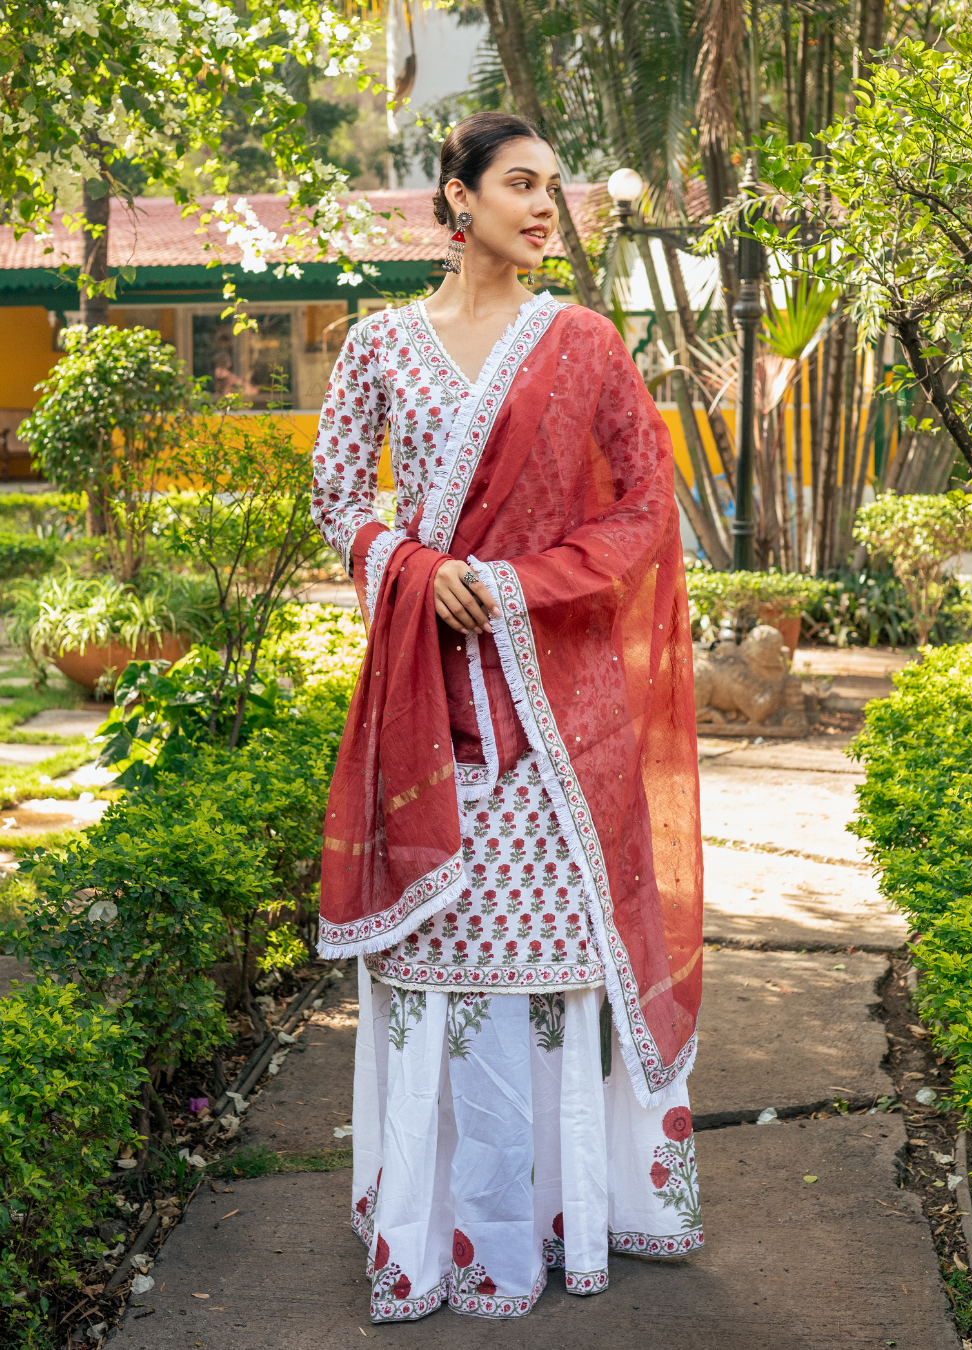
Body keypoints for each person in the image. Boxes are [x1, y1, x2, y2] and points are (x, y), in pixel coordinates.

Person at [310, 110, 704, 1324]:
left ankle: (560, 1217)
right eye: (521, 184)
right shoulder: (380, 344)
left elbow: (646, 511)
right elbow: (336, 498)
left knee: (555, 975)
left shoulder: (583, 344)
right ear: (457, 196)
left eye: (558, 189)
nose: (547, 206)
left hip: (556, 716)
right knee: (435, 976)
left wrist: (519, 583)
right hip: (429, 709)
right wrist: (420, 569)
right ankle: (445, 1237)